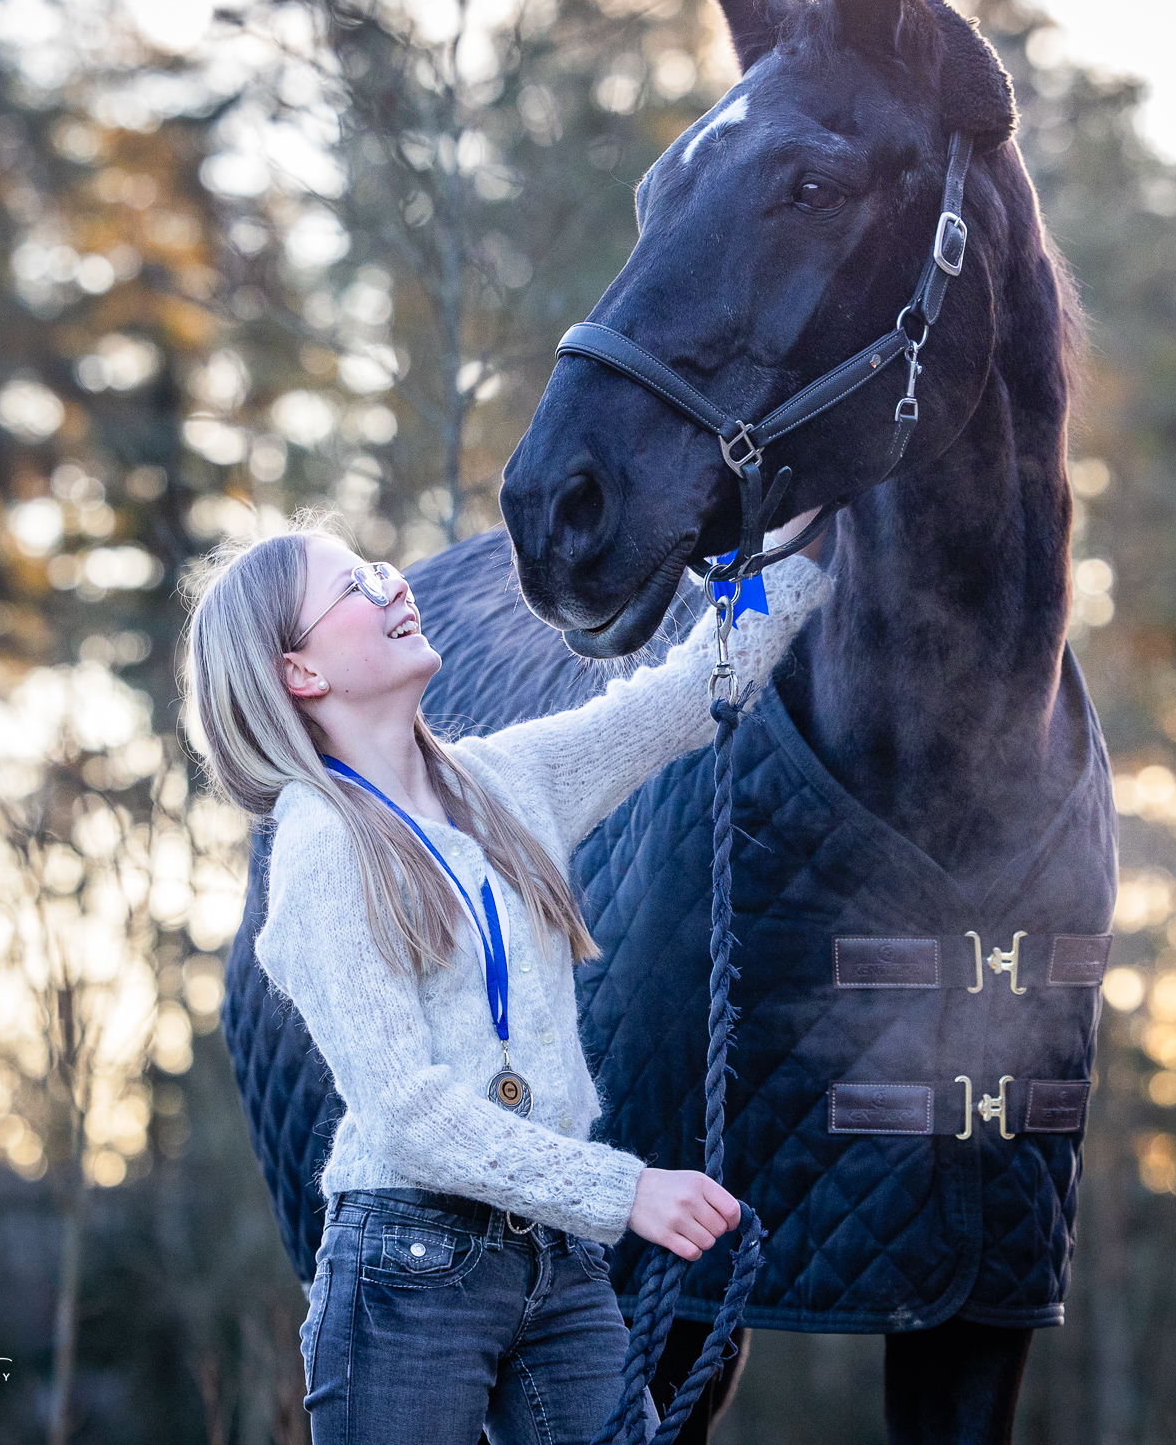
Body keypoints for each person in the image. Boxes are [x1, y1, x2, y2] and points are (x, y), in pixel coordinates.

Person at [182, 506, 832, 1445]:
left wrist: (797, 545)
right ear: (302, 672)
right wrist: (628, 1192)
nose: (392, 580)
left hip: (559, 1266)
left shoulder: (502, 782)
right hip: (409, 1273)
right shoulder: (322, 848)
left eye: (380, 561)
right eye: (354, 585)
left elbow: (690, 694)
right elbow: (407, 1113)